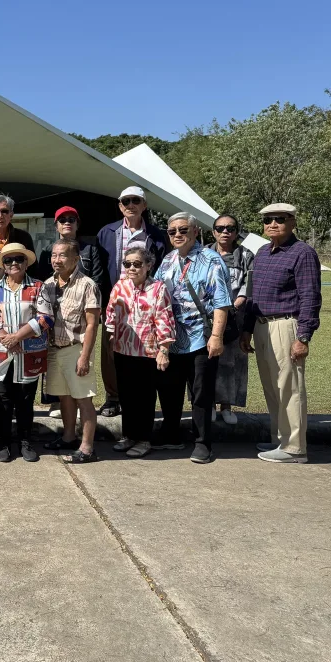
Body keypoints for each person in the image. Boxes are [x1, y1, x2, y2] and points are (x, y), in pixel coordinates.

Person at [242, 203, 322, 464]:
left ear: (293, 222)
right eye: (267, 220)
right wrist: (247, 329)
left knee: (289, 387)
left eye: (279, 219)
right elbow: (253, 295)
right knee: (272, 386)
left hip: (286, 324)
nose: (272, 224)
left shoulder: (302, 253)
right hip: (261, 325)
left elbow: (310, 297)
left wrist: (303, 336)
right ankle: (280, 438)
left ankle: (294, 447)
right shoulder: (263, 252)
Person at [152, 213, 232, 464]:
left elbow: (221, 302)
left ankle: (202, 442)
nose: (177, 234)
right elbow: (156, 294)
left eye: (183, 229)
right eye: (172, 231)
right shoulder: (168, 260)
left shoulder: (211, 260)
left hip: (201, 337)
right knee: (169, 389)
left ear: (196, 231)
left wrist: (216, 336)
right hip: (172, 339)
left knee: (201, 393)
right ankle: (171, 434)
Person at [95, 186, 169, 419]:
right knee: (110, 350)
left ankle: (140, 401)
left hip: (147, 301)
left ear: (144, 205)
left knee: (145, 351)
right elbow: (100, 268)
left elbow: (161, 267)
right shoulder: (107, 232)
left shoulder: (156, 235)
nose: (130, 205)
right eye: (125, 201)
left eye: (135, 200)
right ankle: (113, 397)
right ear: (120, 206)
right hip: (116, 301)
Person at [0, 243, 53, 463]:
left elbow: (46, 317)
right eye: (8, 260)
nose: (14, 263)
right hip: (1, 353)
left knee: (25, 400)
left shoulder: (38, 287)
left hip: (28, 353)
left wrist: (17, 337)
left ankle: (25, 441)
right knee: (3, 400)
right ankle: (4, 443)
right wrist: (6, 338)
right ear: (3, 265)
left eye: (19, 259)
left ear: (26, 263)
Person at [104, 244, 176, 458]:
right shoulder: (120, 286)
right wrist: (111, 338)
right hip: (122, 349)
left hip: (147, 351)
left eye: (137, 264)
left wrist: (164, 349)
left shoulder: (158, 288)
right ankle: (129, 435)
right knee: (126, 396)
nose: (132, 268)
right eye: (127, 264)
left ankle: (144, 440)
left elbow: (164, 319)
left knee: (144, 398)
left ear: (148, 265)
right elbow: (111, 314)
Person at [41, 240, 102, 463]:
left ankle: (87, 448)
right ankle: (68, 437)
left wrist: (85, 357)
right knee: (64, 396)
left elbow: (92, 324)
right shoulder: (48, 284)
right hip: (54, 349)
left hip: (76, 348)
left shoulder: (87, 285)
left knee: (83, 399)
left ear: (76, 259)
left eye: (63, 255)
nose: (57, 260)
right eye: (54, 255)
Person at [208, 214, 254, 425]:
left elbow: (249, 284)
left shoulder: (246, 255)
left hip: (236, 316)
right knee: (207, 362)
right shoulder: (203, 254)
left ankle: (226, 406)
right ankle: (208, 404)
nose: (225, 232)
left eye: (230, 228)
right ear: (213, 232)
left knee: (231, 363)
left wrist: (235, 304)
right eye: (220, 228)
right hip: (207, 316)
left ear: (236, 232)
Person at [35, 206, 106, 285]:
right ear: (56, 227)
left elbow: (97, 279)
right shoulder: (47, 251)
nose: (67, 223)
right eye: (62, 220)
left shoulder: (90, 250)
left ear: (77, 225)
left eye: (71, 220)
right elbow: (42, 279)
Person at [0, 195, 36, 288]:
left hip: (20, 289)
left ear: (11, 215)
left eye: (4, 211)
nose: (0, 216)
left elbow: (33, 267)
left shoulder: (23, 237)